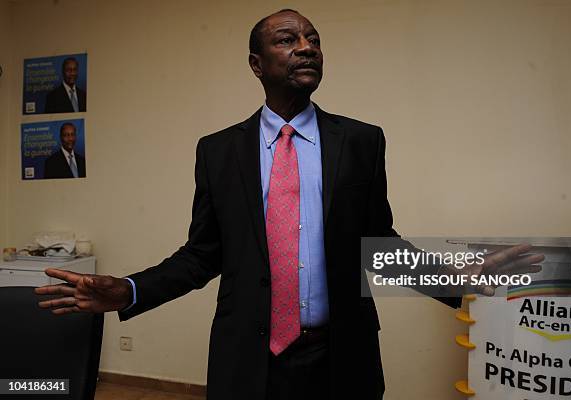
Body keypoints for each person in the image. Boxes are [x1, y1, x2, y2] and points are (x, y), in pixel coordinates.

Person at [35, 9, 543, 400]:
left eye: (314, 40)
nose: (306, 48)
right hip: (247, 359)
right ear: (257, 64)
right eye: (288, 40)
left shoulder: (362, 141)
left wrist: (461, 279)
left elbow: (379, 244)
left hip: (343, 356)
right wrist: (130, 291)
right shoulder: (218, 151)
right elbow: (203, 253)